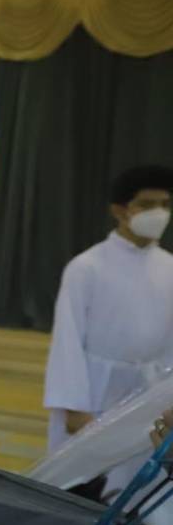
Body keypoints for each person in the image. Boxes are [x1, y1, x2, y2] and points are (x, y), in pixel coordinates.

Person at [44, 165, 173, 461]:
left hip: (149, 398)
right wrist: (74, 406)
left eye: (165, 205)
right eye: (147, 204)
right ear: (119, 210)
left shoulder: (169, 267)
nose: (159, 213)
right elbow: (67, 340)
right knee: (85, 482)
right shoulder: (87, 267)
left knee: (138, 484)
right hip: (95, 394)